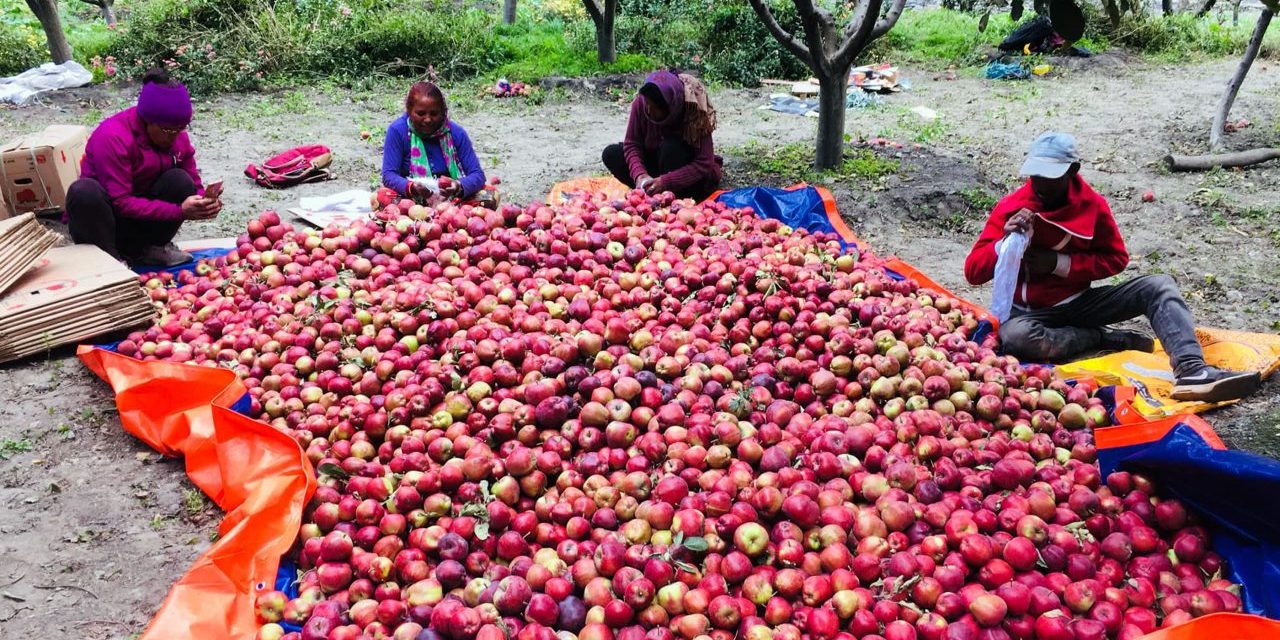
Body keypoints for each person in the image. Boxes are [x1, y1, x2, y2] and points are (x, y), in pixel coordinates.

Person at [964, 132, 1260, 403]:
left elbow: (1116, 259)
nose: (1040, 183)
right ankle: (1100, 337)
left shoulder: (1091, 205)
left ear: (1072, 171)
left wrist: (1059, 264)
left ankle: (1192, 370)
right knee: (1015, 338)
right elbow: (973, 272)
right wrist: (1003, 244)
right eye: (1035, 175)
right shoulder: (1012, 207)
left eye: (1049, 176)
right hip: (1029, 314)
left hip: (1079, 303)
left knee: (1158, 286)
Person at [66, 68, 221, 266]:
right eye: (167, 130)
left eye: (180, 129)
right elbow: (121, 202)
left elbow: (192, 179)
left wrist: (204, 201)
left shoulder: (176, 135)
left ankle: (147, 249)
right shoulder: (113, 137)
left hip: (141, 218)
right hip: (106, 220)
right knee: (83, 192)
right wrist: (179, 211)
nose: (174, 136)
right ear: (147, 121)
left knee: (180, 180)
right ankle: (109, 261)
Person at [602, 70, 722, 202]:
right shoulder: (641, 104)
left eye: (654, 107)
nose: (648, 110)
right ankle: (648, 190)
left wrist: (666, 181)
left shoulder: (693, 110)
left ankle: (671, 197)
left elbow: (704, 162)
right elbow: (632, 144)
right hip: (655, 165)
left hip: (682, 170)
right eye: (647, 104)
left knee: (670, 147)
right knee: (611, 154)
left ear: (670, 106)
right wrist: (640, 175)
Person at [381, 82, 486, 203]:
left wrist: (458, 185)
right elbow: (389, 175)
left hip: (450, 199)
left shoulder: (456, 133)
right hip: (412, 199)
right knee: (383, 196)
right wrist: (412, 187)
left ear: (442, 113)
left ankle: (452, 216)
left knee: (489, 195)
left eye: (434, 114)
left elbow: (477, 174)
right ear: (409, 111)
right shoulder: (398, 131)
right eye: (421, 113)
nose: (428, 119)